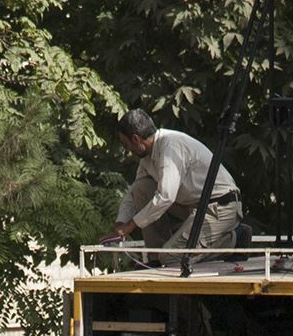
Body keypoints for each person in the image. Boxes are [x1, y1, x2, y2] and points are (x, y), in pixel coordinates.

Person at [101, 108, 242, 256]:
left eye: (126, 144)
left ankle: (235, 239)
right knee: (142, 187)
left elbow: (166, 197)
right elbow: (134, 193)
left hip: (220, 207)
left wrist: (130, 226)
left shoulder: (170, 146)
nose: (128, 150)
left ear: (136, 139)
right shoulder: (148, 157)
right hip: (194, 207)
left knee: (170, 257)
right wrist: (120, 224)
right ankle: (155, 256)